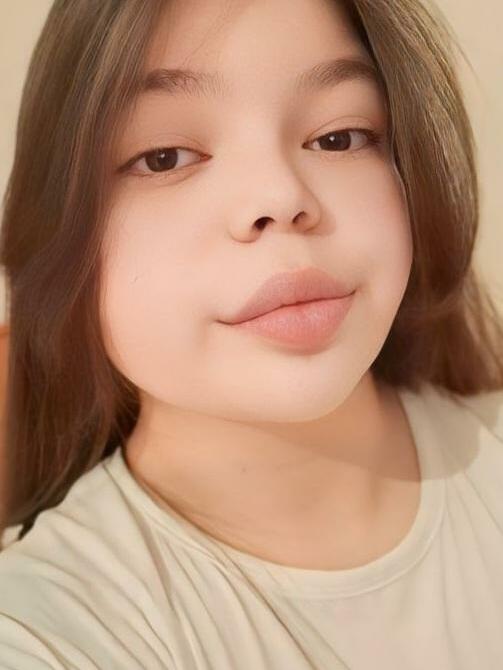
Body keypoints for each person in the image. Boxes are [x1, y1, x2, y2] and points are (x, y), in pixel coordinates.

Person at [0, 0, 502, 667]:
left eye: (339, 138)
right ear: (59, 229)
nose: (279, 196)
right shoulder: (47, 632)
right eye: (164, 157)